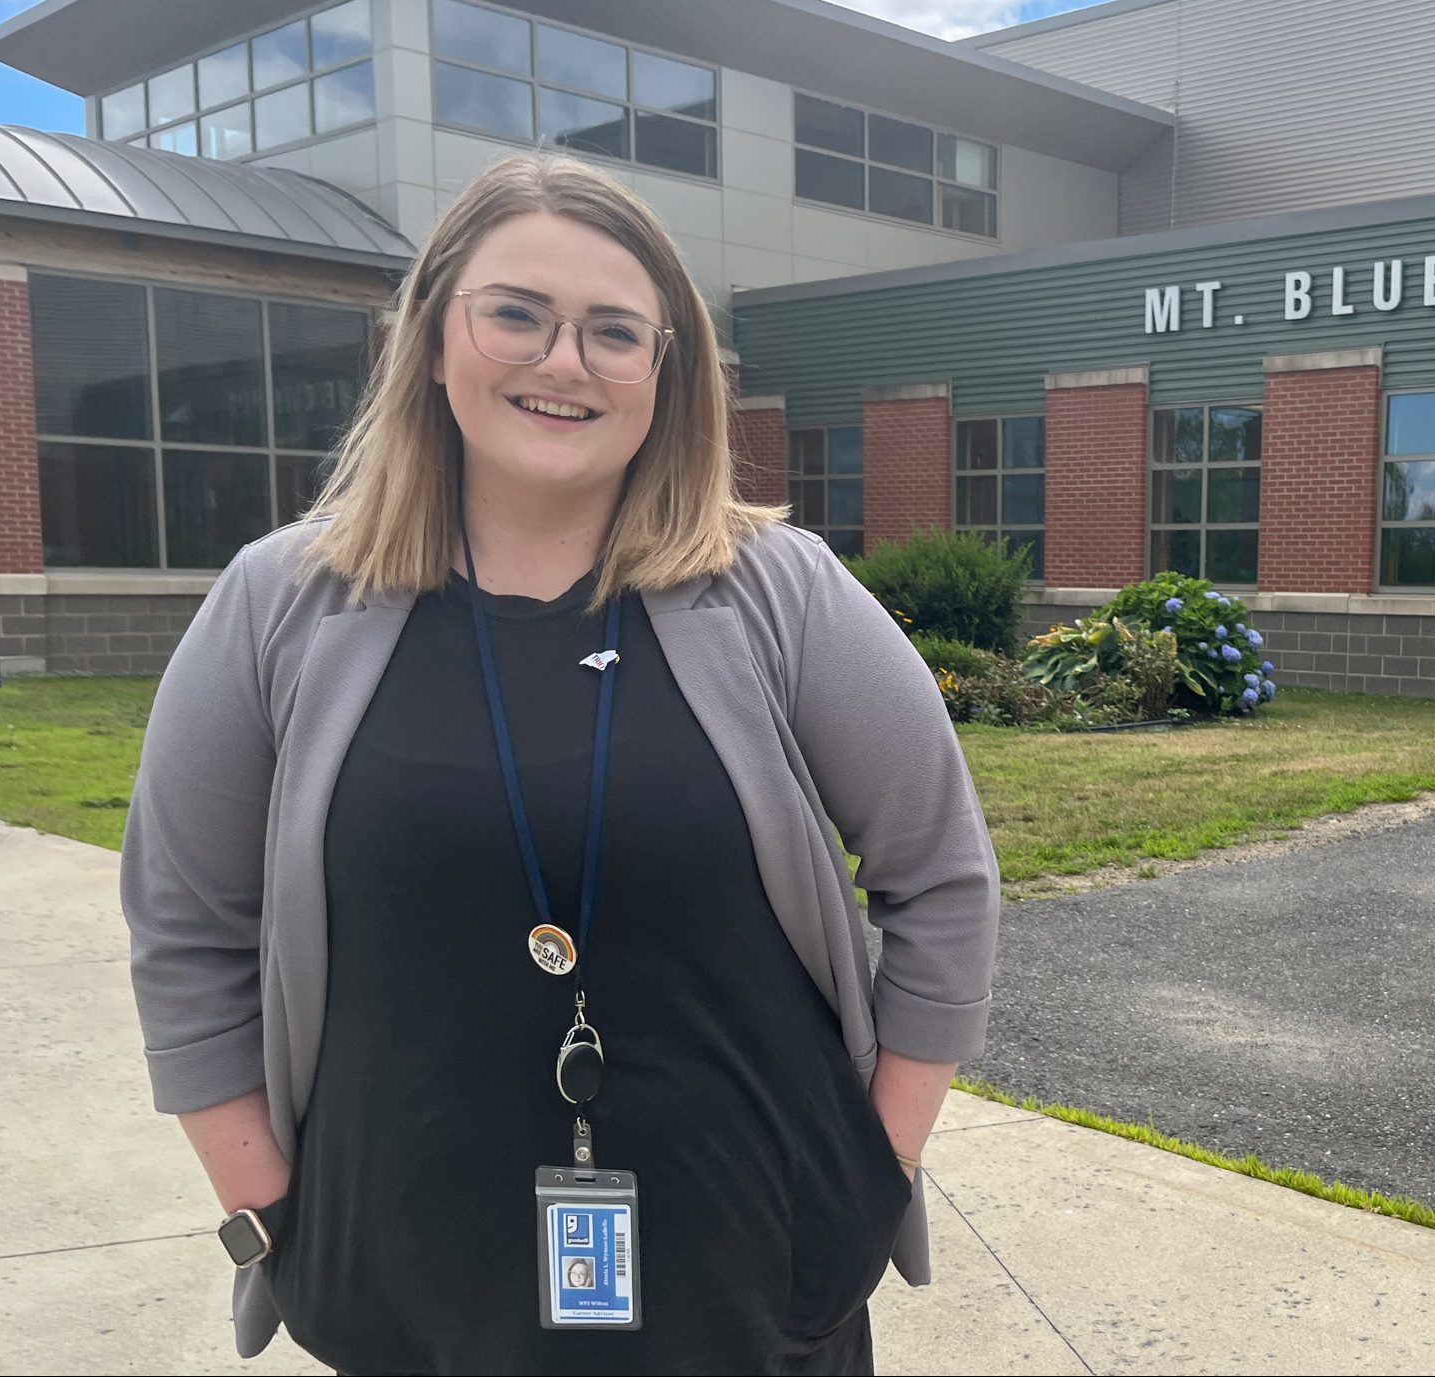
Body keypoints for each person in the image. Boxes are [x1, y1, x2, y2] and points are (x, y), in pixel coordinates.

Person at [121, 152, 1000, 1376]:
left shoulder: (782, 596)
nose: (563, 361)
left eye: (613, 331)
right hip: (404, 1284)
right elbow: (187, 927)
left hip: (758, 1279)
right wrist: (266, 1211)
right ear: (432, 339)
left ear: (663, 372)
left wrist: (874, 1169)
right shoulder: (280, 603)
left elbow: (942, 880)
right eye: (517, 314)